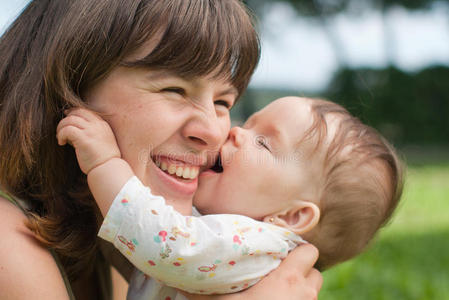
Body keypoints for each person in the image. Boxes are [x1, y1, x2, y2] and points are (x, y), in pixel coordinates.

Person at [0, 0, 322, 299]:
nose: (214, 132)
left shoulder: (106, 246)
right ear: (71, 84)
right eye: (175, 89)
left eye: (223, 102)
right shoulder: (9, 245)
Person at [57, 96, 403, 299]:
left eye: (264, 143)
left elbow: (165, 244)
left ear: (292, 217)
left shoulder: (257, 245)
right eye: (250, 123)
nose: (237, 132)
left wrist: (105, 163)